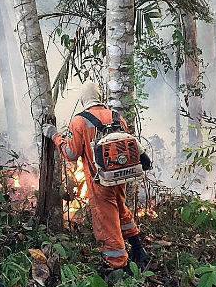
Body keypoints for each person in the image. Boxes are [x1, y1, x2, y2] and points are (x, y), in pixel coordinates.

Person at [42, 82, 151, 269]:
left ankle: (118, 266)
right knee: (121, 209)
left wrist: (55, 136)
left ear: (82, 99)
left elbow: (71, 153)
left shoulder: (79, 121)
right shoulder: (117, 117)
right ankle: (138, 249)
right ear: (99, 96)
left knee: (106, 221)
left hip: (100, 181)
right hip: (120, 176)